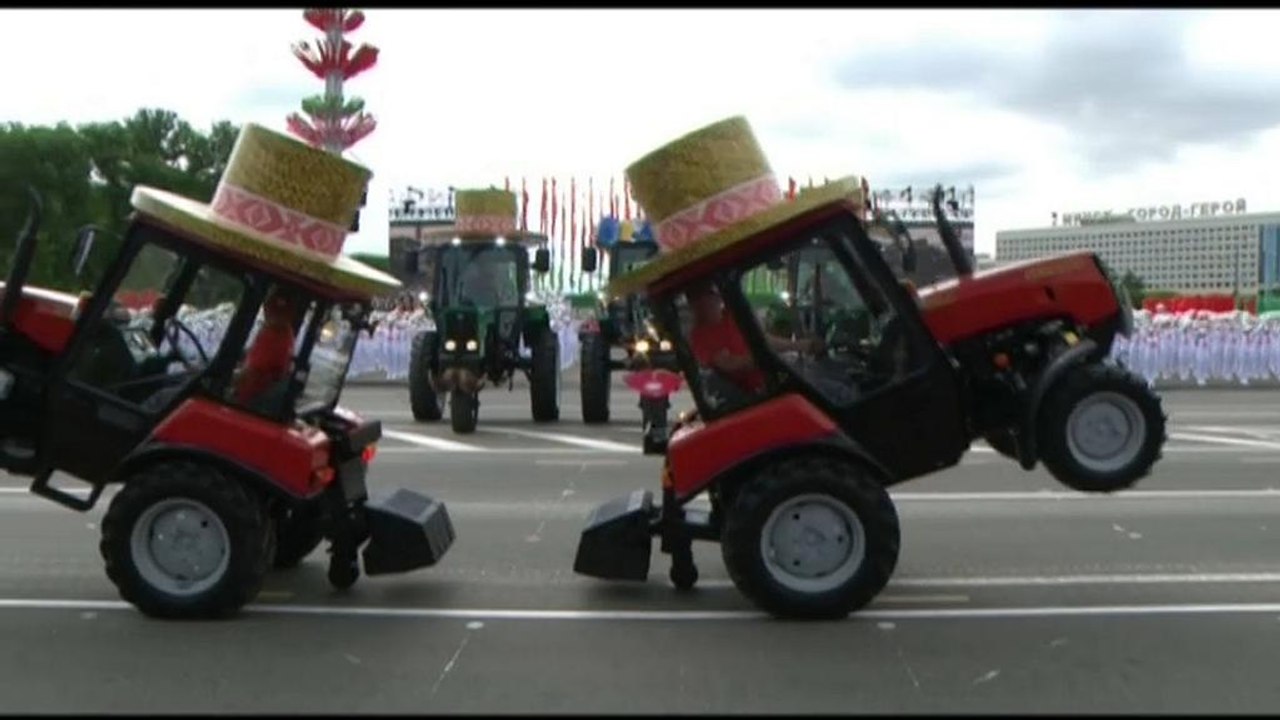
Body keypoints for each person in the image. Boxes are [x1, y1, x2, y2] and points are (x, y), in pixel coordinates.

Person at [686, 283, 820, 397]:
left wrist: (800, 346)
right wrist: (763, 355)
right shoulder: (699, 337)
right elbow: (731, 364)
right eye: (696, 299)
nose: (702, 303)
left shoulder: (733, 316)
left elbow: (762, 339)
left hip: (770, 380)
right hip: (749, 396)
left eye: (709, 294)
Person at [233, 287, 300, 407]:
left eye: (272, 306)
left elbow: (251, 373)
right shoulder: (279, 333)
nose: (267, 309)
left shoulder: (276, 337)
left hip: (247, 401)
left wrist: (230, 376)